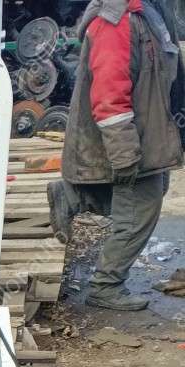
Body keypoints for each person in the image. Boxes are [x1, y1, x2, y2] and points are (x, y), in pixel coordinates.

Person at [48, 0, 185, 311]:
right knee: (139, 208)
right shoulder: (115, 21)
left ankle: (75, 198)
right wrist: (124, 153)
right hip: (126, 136)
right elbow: (110, 96)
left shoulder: (147, 11)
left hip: (146, 131)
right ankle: (106, 285)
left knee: (154, 189)